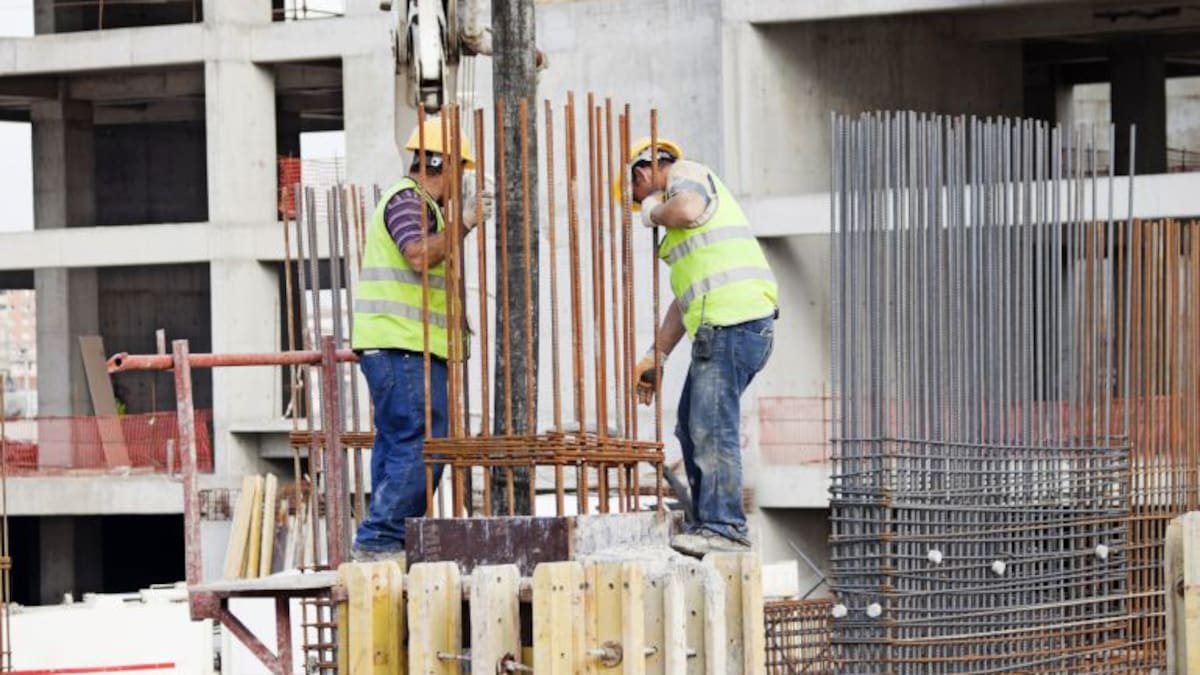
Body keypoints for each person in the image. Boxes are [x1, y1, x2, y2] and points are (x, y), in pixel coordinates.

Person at [623, 139, 778, 558]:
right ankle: (707, 520)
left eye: (634, 196)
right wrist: (657, 354)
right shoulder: (688, 236)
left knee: (711, 426)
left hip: (733, 324)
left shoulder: (684, 174)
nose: (638, 206)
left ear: (642, 174)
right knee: (691, 424)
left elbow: (687, 209)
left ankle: (724, 526)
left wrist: (652, 209)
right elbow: (684, 298)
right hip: (728, 327)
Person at [350, 117, 493, 561]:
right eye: (460, 171)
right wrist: (466, 222)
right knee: (422, 440)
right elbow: (416, 255)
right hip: (402, 346)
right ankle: (381, 538)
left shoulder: (419, 206)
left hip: (403, 346)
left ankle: (383, 538)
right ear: (439, 163)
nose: (461, 183)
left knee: (398, 442)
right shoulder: (407, 201)